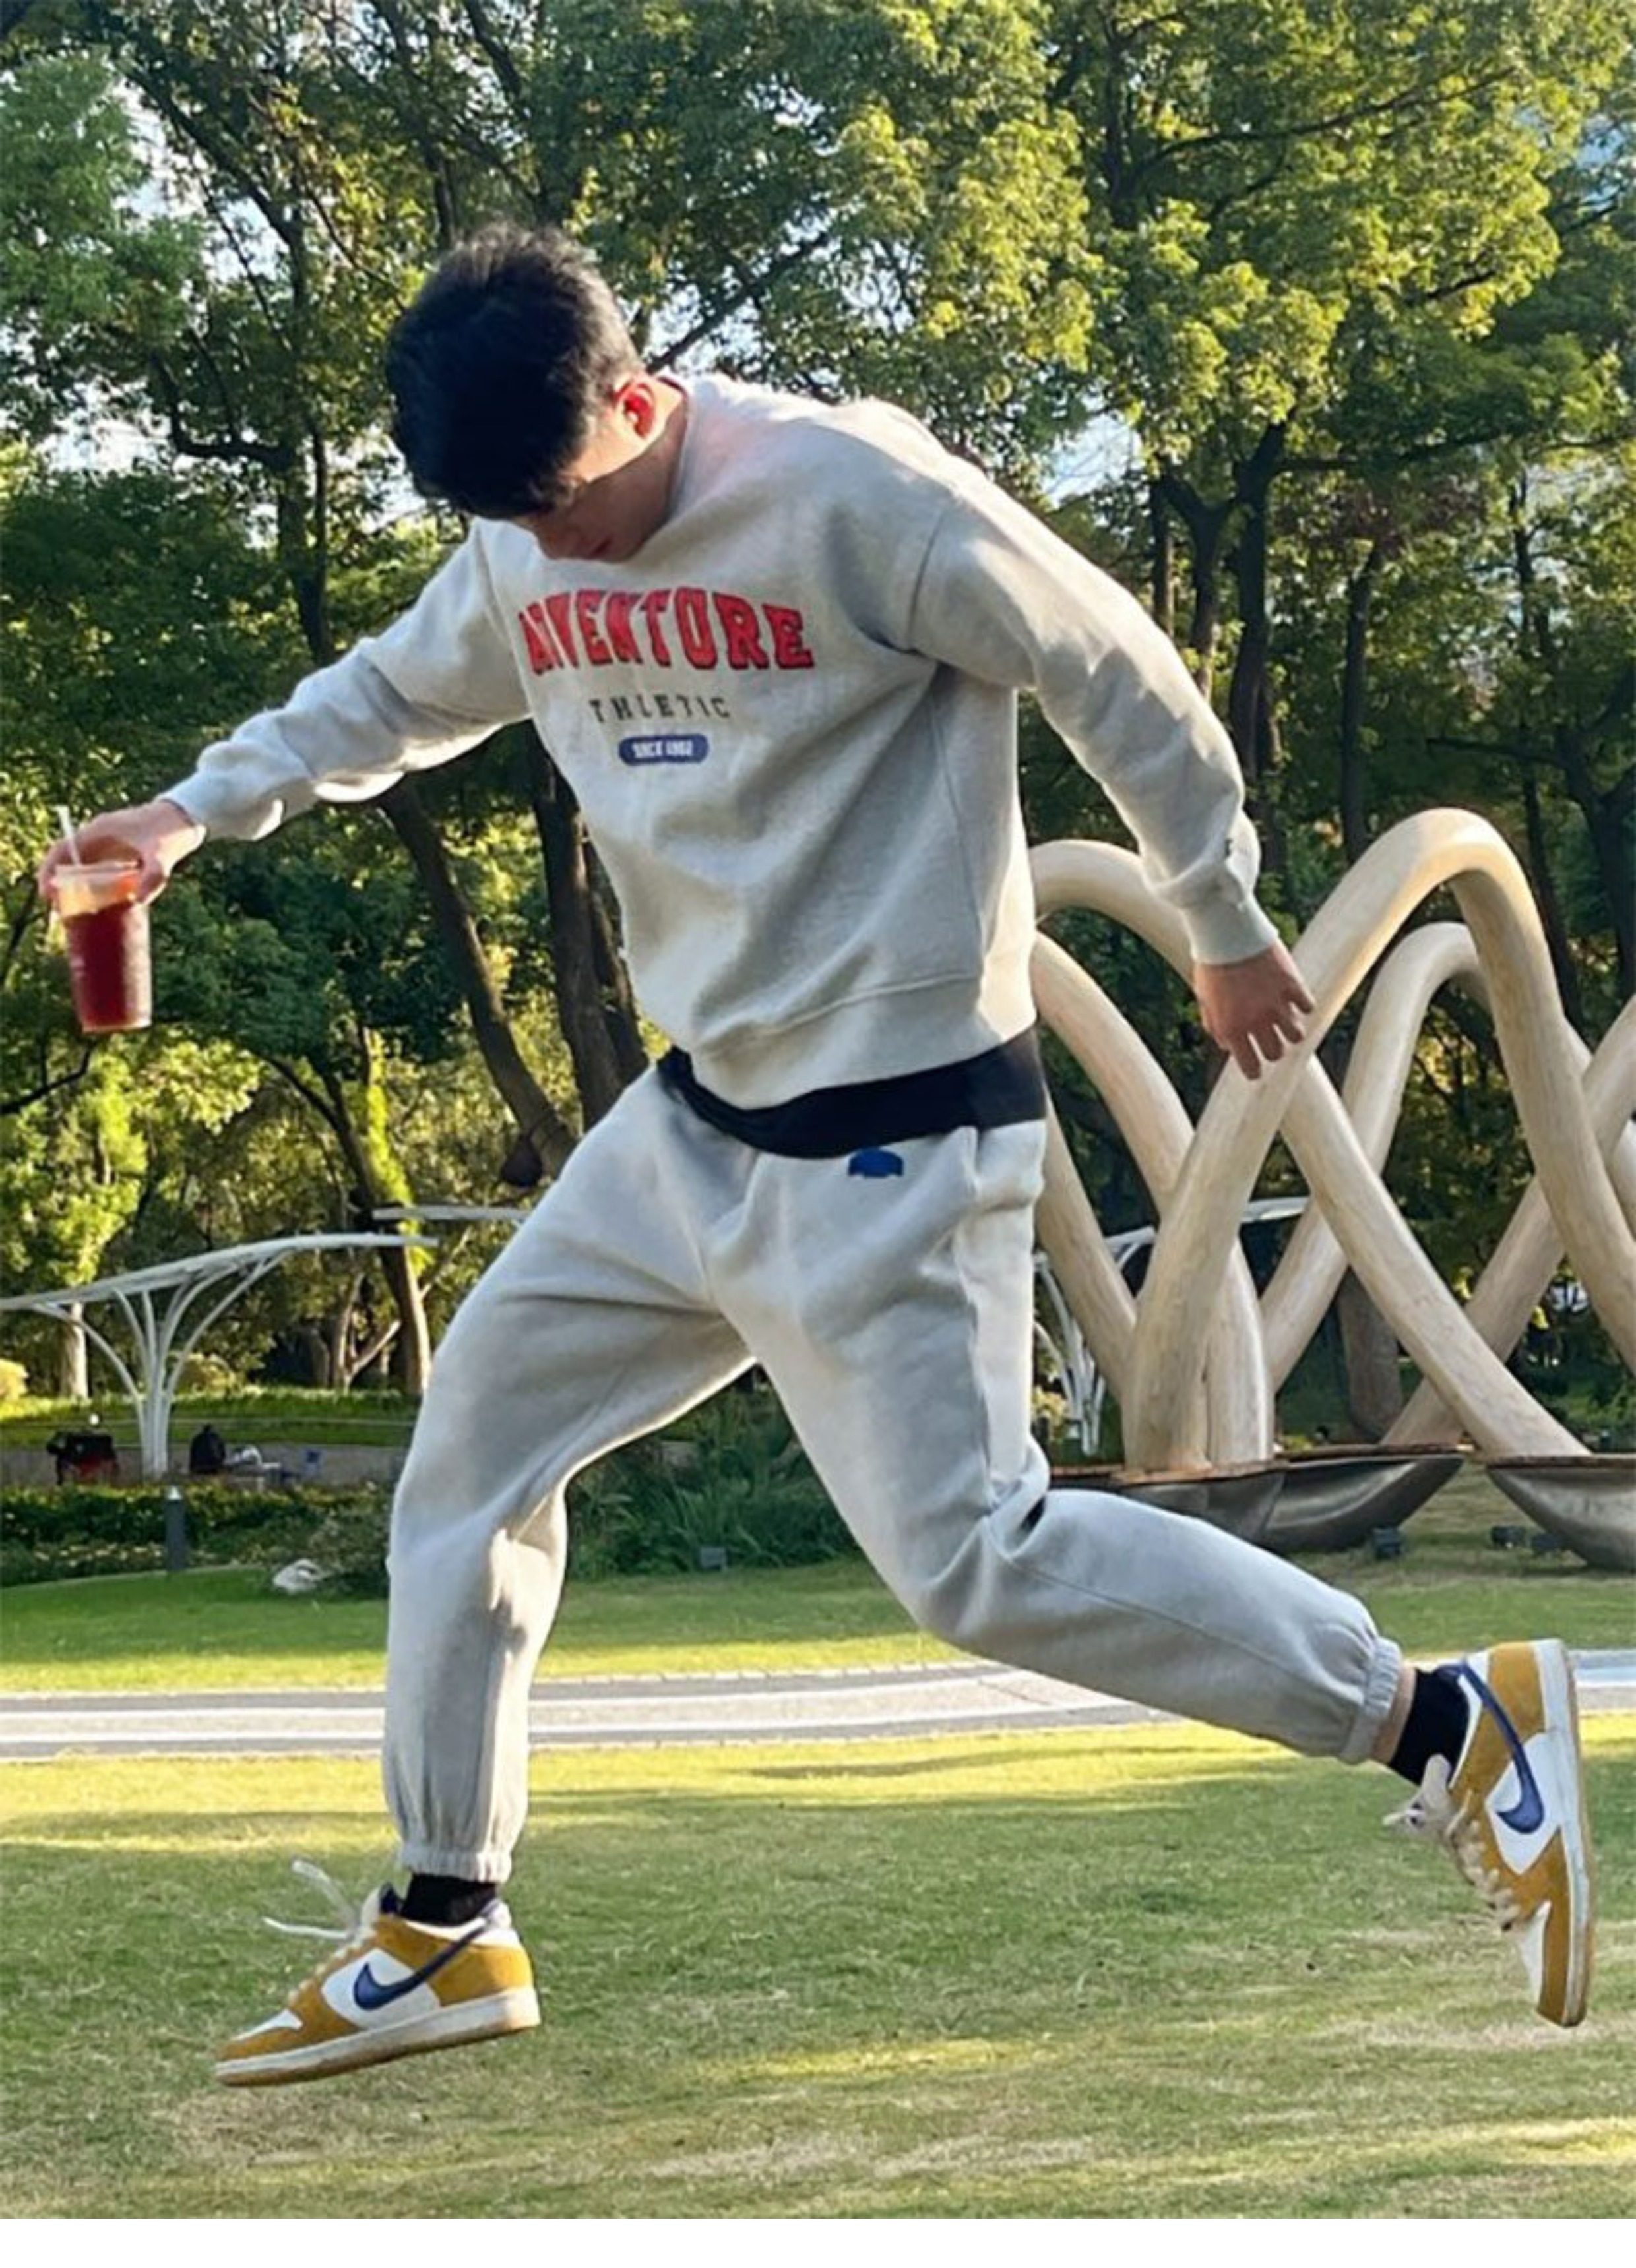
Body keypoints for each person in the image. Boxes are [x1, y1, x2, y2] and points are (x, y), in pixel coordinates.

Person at [40, 224, 1594, 2085]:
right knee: (466, 1462)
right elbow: (385, 697)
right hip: (690, 1130)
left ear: (635, 403)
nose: (547, 553)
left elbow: (1112, 665)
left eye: (561, 504)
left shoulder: (857, 501)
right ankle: (446, 1919)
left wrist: (1220, 909)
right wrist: (188, 814)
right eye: (506, 524)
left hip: (896, 1141)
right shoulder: (526, 531)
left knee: (977, 1562)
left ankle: (1449, 1722)